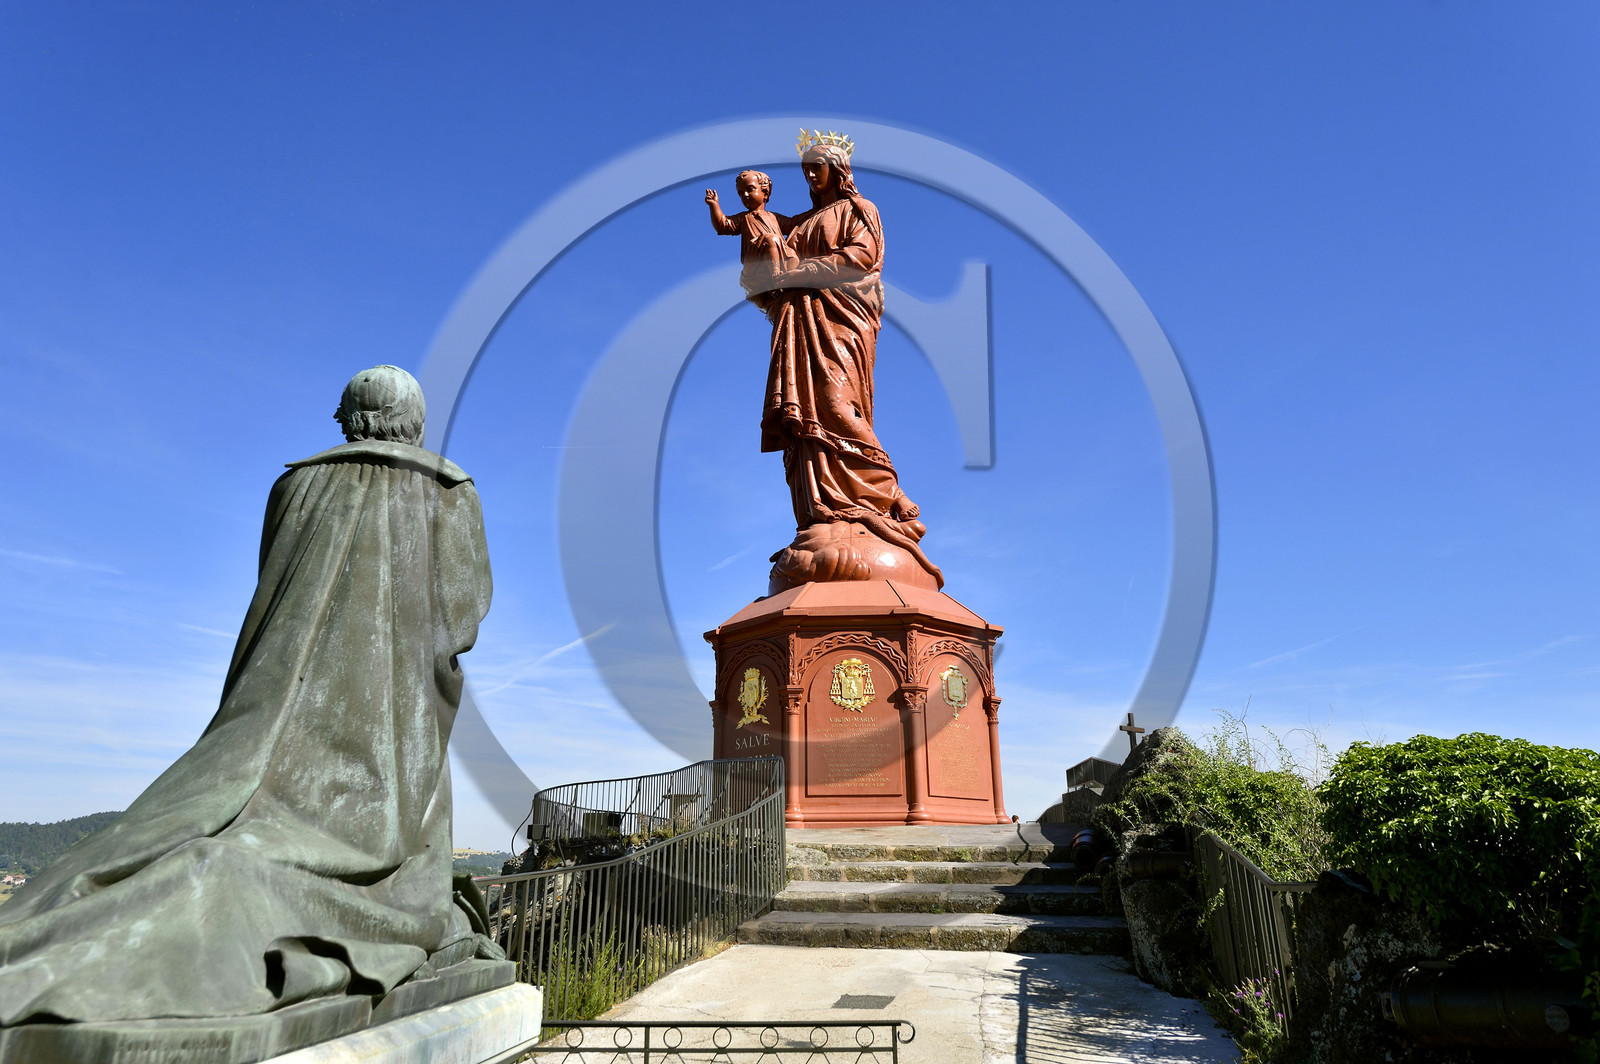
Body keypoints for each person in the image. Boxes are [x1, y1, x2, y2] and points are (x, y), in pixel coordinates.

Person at [0, 366, 499, 1025]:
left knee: (196, 831)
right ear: (413, 421)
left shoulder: (293, 483)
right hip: (390, 729)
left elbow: (274, 582)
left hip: (263, 713)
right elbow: (462, 619)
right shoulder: (447, 488)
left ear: (347, 417)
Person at [757, 137, 941, 587]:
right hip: (800, 323)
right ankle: (823, 512)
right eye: (805, 169)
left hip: (842, 320)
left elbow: (859, 259)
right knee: (805, 420)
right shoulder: (799, 221)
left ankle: (887, 494)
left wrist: (795, 271)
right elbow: (765, 261)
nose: (810, 175)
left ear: (838, 167)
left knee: (836, 403)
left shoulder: (861, 209)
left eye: (817, 166)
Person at [704, 169, 799, 316]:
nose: (745, 195)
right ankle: (776, 276)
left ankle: (783, 278)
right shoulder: (744, 218)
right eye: (741, 193)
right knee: (771, 239)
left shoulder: (773, 217)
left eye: (750, 190)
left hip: (775, 254)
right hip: (755, 257)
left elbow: (794, 223)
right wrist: (714, 205)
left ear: (765, 193)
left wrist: (817, 210)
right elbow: (723, 225)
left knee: (787, 249)